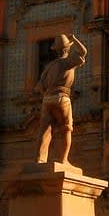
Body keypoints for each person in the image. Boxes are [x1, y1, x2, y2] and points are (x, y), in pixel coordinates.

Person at [34, 34, 87, 164]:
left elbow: (38, 87)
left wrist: (47, 94)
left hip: (47, 100)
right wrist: (74, 39)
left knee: (44, 130)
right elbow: (83, 52)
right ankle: (64, 160)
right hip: (62, 98)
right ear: (67, 49)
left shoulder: (49, 66)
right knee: (66, 129)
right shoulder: (68, 62)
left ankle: (40, 159)